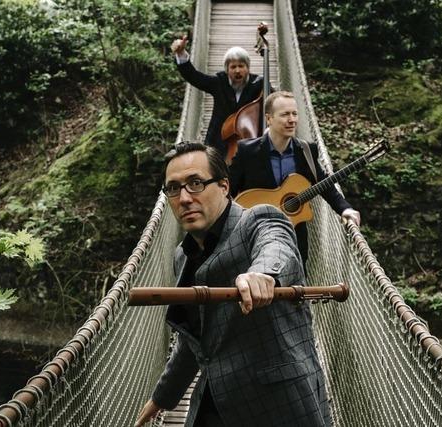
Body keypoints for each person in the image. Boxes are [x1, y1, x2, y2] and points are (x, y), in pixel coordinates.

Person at [134, 142, 331, 427]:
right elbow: (195, 340)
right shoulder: (182, 256)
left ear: (224, 186)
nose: (185, 198)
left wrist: (262, 274)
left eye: (196, 183)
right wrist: (162, 398)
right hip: (215, 403)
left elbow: (276, 245)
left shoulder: (259, 219)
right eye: (174, 189)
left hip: (279, 406)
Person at [229, 91, 361, 266]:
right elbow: (227, 191)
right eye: (285, 115)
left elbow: (324, 184)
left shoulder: (306, 151)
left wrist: (345, 209)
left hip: (295, 235)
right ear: (269, 119)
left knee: (297, 284)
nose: (292, 120)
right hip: (255, 232)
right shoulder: (247, 152)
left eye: (294, 113)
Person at [171, 33, 267, 158]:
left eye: (241, 66)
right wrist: (181, 53)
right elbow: (194, 77)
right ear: (227, 70)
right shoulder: (219, 82)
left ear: (248, 68)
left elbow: (274, 103)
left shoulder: (259, 84)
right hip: (218, 142)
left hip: (249, 143)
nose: (237, 71)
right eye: (233, 67)